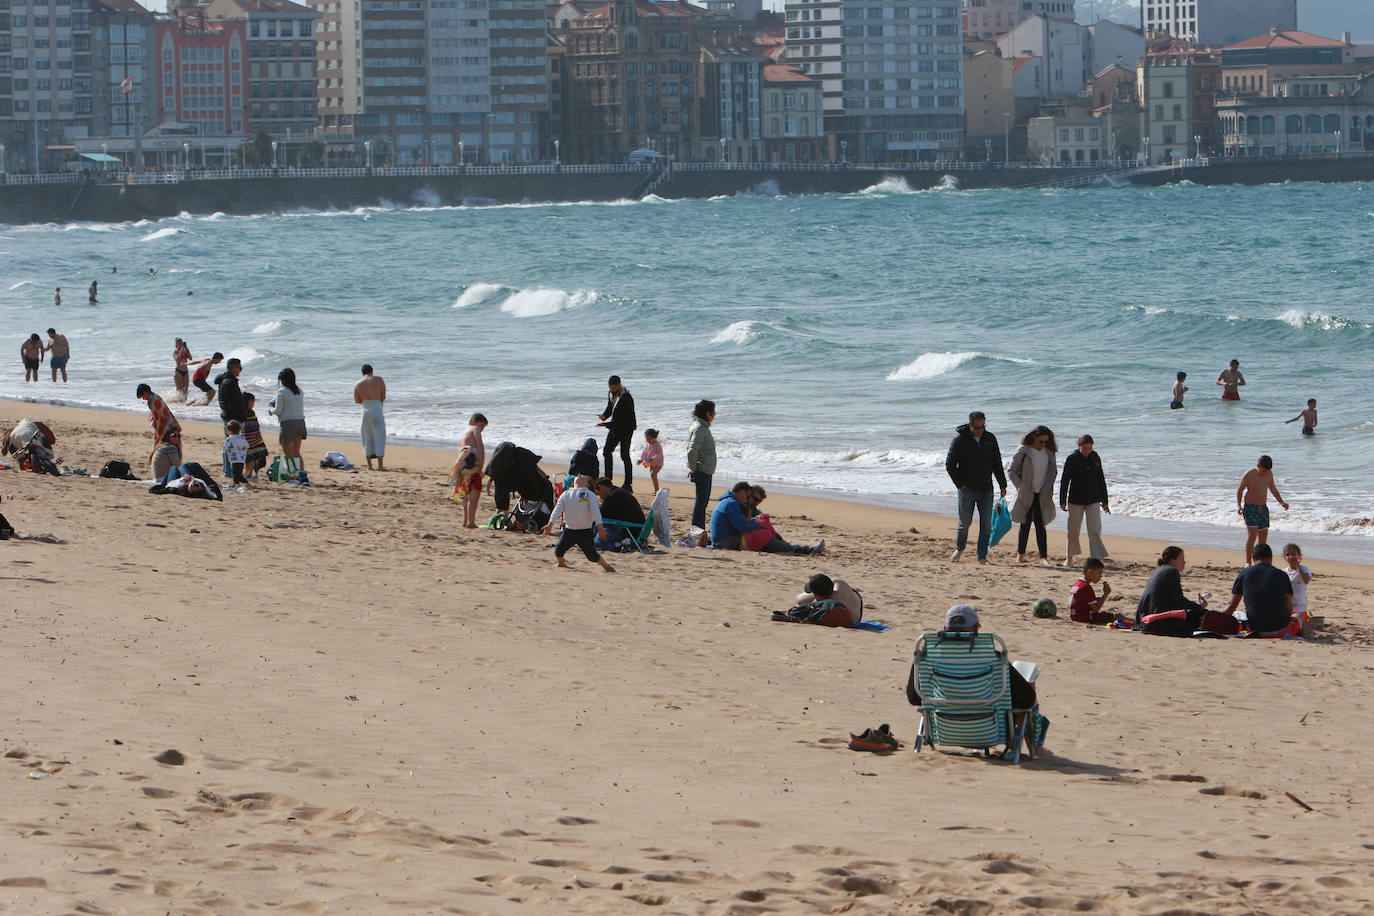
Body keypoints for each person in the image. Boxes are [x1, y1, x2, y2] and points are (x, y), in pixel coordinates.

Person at [905, 605, 1045, 759]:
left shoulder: (928, 658)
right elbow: (1027, 700)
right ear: (976, 628)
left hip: (945, 731)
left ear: (945, 628)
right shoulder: (993, 658)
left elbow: (914, 697)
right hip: (988, 732)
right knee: (1028, 696)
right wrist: (1029, 688)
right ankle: (1037, 749)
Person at [945, 411, 1007, 564]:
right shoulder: (959, 441)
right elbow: (950, 465)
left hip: (987, 489)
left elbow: (997, 462)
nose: (981, 430)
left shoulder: (990, 438)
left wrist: (1002, 484)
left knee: (986, 524)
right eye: (978, 427)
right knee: (965, 522)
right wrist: (961, 485)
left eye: (983, 426)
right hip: (967, 489)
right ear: (970, 425)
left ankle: (982, 557)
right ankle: (960, 549)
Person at [710, 481, 822, 555]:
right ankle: (804, 550)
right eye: (748, 496)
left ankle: (786, 546)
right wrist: (757, 526)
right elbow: (742, 527)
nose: (748, 499)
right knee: (761, 534)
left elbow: (741, 524)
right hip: (724, 543)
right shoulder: (731, 503)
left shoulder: (730, 501)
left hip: (726, 539)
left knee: (763, 523)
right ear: (741, 492)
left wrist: (758, 524)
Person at [541, 474, 615, 572]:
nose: (579, 475)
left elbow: (596, 512)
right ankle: (561, 562)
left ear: (587, 484)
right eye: (578, 475)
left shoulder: (589, 495)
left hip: (585, 531)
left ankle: (606, 566)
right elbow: (557, 511)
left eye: (583, 476)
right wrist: (550, 525)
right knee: (558, 551)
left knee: (592, 556)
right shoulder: (566, 494)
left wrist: (600, 529)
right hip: (569, 531)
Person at [1220, 543, 1295, 636]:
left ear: (1254, 559)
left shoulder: (1244, 573)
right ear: (1271, 558)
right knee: (1298, 617)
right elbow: (1289, 610)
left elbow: (1232, 606)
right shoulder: (1282, 575)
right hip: (1280, 629)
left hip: (1255, 630)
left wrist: (1219, 620)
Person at [1008, 425, 1057, 566]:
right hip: (1027, 492)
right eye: (1041, 441)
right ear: (1034, 438)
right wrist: (1021, 487)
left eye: (1046, 442)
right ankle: (1020, 555)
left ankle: (1043, 557)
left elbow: (1052, 473)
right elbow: (1012, 472)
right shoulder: (1024, 451)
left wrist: (1049, 487)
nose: (1043, 444)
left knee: (1041, 525)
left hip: (1042, 493)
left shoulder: (1049, 452)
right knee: (1025, 523)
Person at [1059, 434, 1110, 567]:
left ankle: (1096, 558)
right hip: (1076, 499)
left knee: (1094, 530)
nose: (1088, 451)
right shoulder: (1072, 458)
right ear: (1079, 446)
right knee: (1073, 530)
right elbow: (1065, 480)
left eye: (1090, 448)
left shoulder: (1095, 457)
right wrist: (1062, 500)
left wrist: (1105, 501)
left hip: (1093, 498)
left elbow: (1101, 479)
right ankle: (1069, 558)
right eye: (1085, 448)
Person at [1135, 546, 1209, 628]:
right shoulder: (1172, 571)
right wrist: (1199, 607)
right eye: (1182, 559)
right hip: (1157, 622)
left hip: (1144, 618)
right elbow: (1178, 600)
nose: (1184, 562)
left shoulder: (1158, 570)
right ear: (1173, 560)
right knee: (1200, 616)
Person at [1237, 455, 1288, 565]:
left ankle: (1260, 561)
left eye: (1267, 471)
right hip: (1250, 508)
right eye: (1263, 471)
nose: (1265, 473)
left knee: (1263, 535)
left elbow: (1273, 489)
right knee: (1252, 535)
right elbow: (1240, 490)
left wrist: (1281, 502)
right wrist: (1239, 506)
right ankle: (1248, 562)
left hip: (1263, 508)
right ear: (1258, 466)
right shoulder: (1249, 474)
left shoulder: (1269, 474)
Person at [597, 375, 637, 489]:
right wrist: (604, 416)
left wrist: (606, 424)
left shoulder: (626, 397)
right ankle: (608, 480)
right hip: (615, 427)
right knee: (606, 451)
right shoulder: (611, 393)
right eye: (610, 388)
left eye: (614, 388)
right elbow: (610, 407)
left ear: (619, 385)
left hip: (627, 428)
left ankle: (628, 483)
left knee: (624, 455)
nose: (611, 390)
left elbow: (623, 420)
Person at [685, 400, 717, 541]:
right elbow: (691, 451)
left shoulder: (701, 427)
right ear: (706, 413)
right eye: (712, 412)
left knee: (702, 504)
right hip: (702, 470)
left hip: (704, 470)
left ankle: (699, 533)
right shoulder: (700, 429)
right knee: (700, 504)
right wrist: (693, 468)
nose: (714, 415)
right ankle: (697, 534)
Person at [136, 383, 182, 479]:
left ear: (145, 393)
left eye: (142, 396)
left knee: (168, 447)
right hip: (171, 425)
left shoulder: (152, 401)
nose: (143, 399)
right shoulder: (156, 396)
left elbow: (158, 418)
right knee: (176, 447)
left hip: (167, 428)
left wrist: (159, 435)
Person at [270, 367, 306, 478]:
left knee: (289, 454)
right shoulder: (299, 390)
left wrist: (270, 409)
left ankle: (292, 477)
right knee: (296, 453)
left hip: (288, 424)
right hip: (300, 422)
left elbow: (278, 410)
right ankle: (301, 475)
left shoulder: (282, 391)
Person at [455, 413, 488, 528]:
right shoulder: (475, 429)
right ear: (474, 421)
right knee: (475, 493)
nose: (482, 429)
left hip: (462, 463)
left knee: (466, 491)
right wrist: (481, 465)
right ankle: (471, 522)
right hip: (471, 462)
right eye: (481, 425)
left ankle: (465, 520)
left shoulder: (464, 432)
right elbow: (480, 446)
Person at [1068, 558, 1125, 624]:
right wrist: (1105, 594)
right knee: (1118, 616)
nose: (1100, 576)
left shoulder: (1076, 584)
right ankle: (1137, 623)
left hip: (1075, 616)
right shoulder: (1086, 587)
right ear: (1090, 572)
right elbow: (1096, 608)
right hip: (1085, 618)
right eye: (1099, 573)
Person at [794, 573, 862, 627]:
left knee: (800, 599)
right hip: (856, 604)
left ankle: (821, 591)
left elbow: (799, 600)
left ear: (816, 596)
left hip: (849, 612)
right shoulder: (840, 584)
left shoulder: (825, 607)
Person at [594, 476, 645, 548]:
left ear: (601, 487)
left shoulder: (612, 496)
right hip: (638, 529)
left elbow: (601, 515)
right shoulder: (620, 491)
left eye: (598, 493)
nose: (600, 497)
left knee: (596, 524)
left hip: (630, 531)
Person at [354, 364, 387, 470]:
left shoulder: (358, 383)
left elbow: (357, 400)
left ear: (362, 372)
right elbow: (383, 396)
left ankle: (369, 466)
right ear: (372, 371)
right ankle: (380, 465)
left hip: (365, 410)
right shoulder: (379, 380)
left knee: (367, 437)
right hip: (377, 409)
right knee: (379, 437)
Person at [1282, 543, 1313, 633]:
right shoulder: (1284, 572)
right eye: (1288, 555)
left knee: (1300, 626)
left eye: (1293, 554)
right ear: (1284, 557)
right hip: (1288, 605)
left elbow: (1306, 580)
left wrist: (1298, 566)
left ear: (1299, 556)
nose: (1291, 557)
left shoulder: (1304, 569)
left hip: (1300, 605)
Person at [216, 357, 247, 437]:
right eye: (239, 367)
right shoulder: (229, 382)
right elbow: (232, 402)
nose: (241, 370)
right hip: (232, 417)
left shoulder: (228, 380)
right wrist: (240, 416)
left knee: (232, 441)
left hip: (230, 416)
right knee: (233, 441)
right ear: (233, 368)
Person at [241, 392, 269, 479]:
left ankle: (247, 474)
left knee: (246, 458)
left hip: (245, 439)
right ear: (249, 401)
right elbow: (254, 425)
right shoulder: (250, 412)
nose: (253, 404)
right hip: (253, 439)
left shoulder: (240, 412)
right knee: (252, 458)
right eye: (253, 402)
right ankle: (249, 474)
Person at [222, 419, 249, 485]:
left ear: (229, 431)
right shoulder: (242, 438)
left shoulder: (230, 439)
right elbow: (247, 445)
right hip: (242, 458)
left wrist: (224, 451)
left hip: (234, 459)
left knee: (235, 472)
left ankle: (237, 483)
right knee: (239, 472)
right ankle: (242, 481)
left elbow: (225, 448)